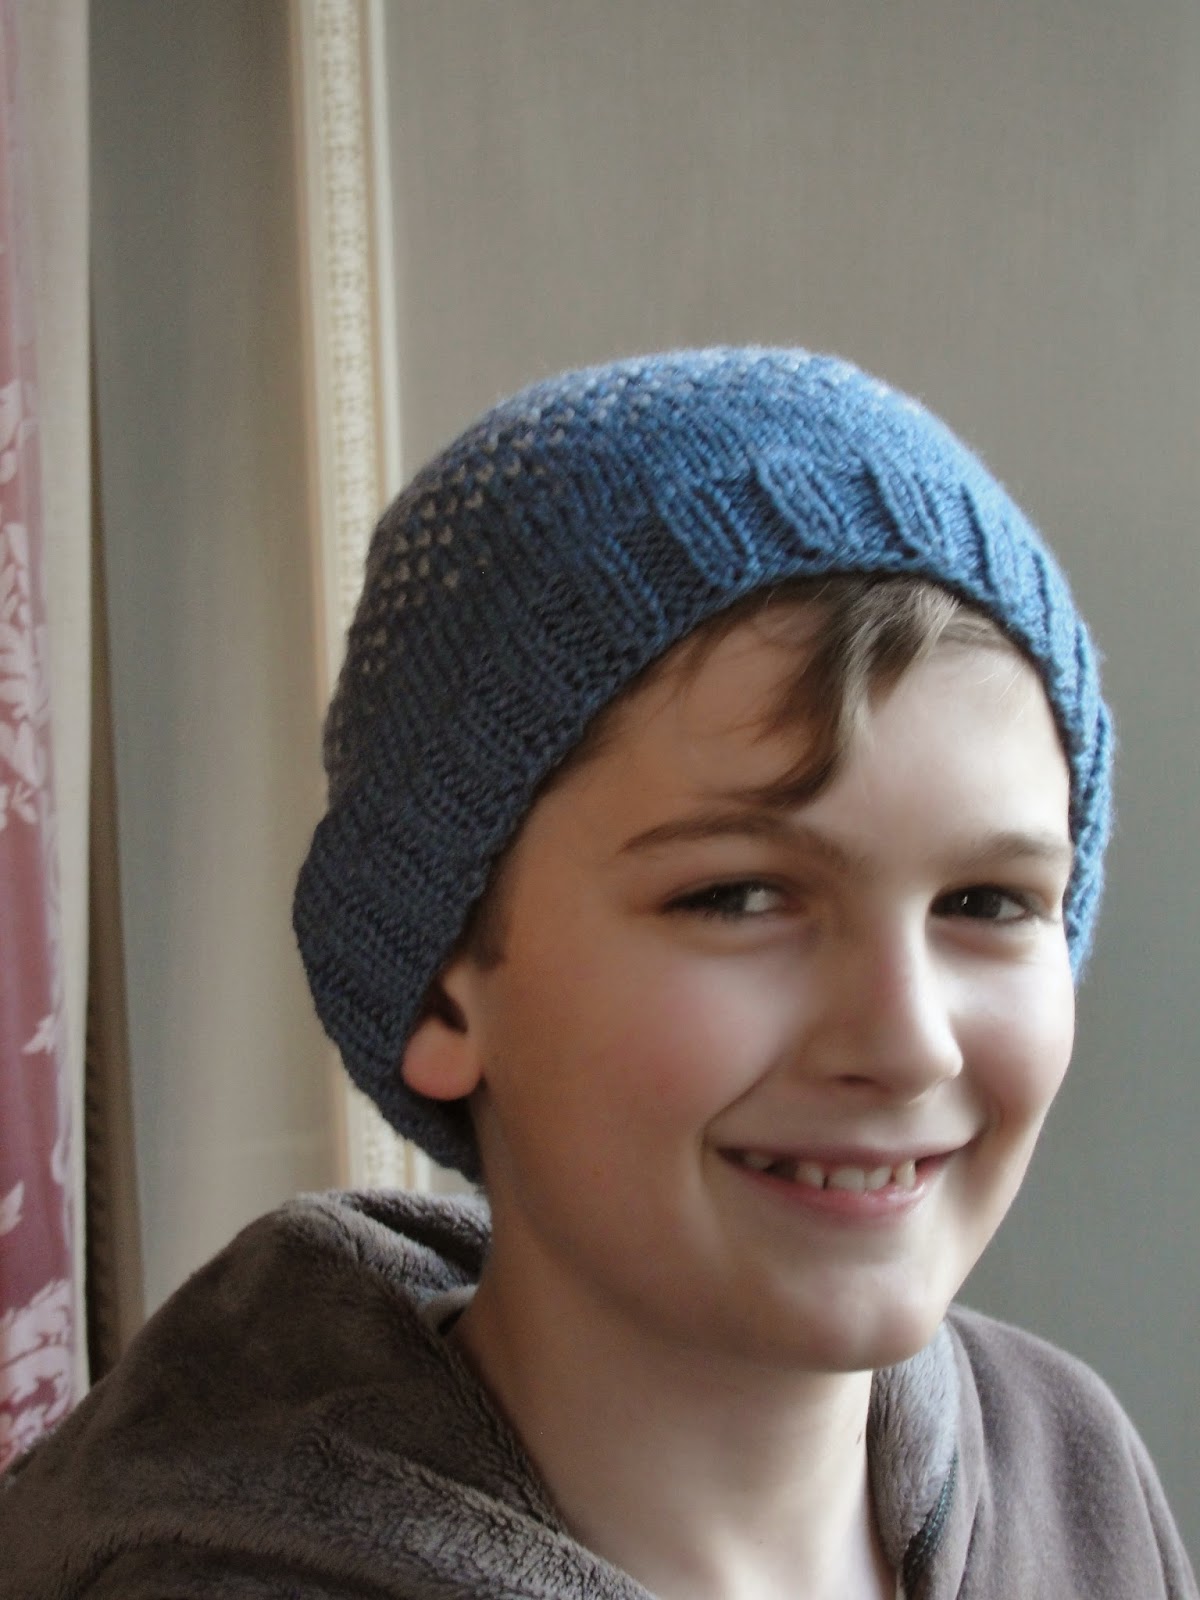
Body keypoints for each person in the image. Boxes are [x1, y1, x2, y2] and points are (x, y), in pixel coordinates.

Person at [1, 349, 1194, 1599]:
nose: (908, 1043)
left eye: (988, 903)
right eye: (739, 896)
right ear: (445, 983)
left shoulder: (1073, 1471)